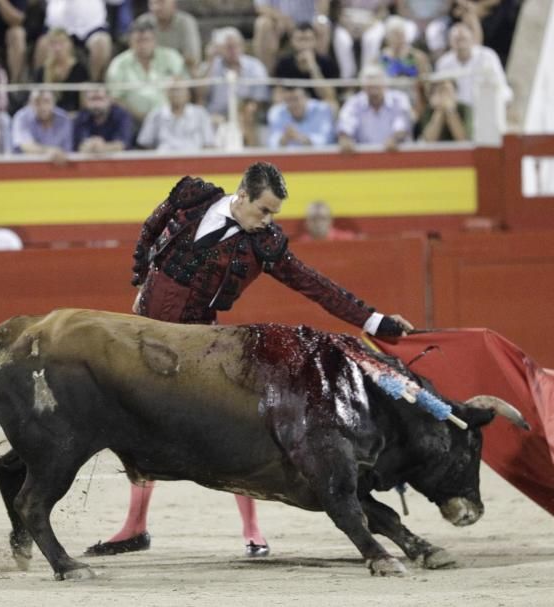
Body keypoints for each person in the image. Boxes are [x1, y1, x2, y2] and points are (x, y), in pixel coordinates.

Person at [85, 161, 414, 558]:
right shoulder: (192, 195)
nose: (269, 220)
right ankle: (135, 528)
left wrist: (375, 321)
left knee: (232, 427)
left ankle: (252, 530)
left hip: (195, 344)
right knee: (136, 425)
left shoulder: (266, 243)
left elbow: (315, 285)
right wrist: (141, 277)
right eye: (264, 210)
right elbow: (150, 228)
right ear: (242, 196)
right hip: (142, 334)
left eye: (274, 213)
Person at [105, 20, 185, 124]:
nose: (143, 45)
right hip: (133, 121)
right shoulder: (118, 64)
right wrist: (141, 118)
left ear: (155, 40)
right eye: (138, 41)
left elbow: (184, 89)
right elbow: (115, 98)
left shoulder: (172, 57)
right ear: (130, 42)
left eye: (146, 40)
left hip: (172, 118)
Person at [203, 27, 269, 147]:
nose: (233, 50)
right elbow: (200, 95)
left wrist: (244, 113)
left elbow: (260, 99)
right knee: (209, 125)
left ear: (242, 46)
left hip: (246, 114)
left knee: (247, 119)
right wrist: (210, 61)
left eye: (236, 46)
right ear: (220, 49)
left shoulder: (255, 66)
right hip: (216, 116)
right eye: (228, 47)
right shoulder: (212, 66)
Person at [434, 21, 511, 109]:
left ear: (471, 38)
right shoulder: (443, 63)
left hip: (485, 108)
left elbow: (500, 84)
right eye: (457, 40)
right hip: (457, 111)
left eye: (463, 39)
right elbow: (440, 92)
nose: (460, 43)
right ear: (450, 42)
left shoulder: (487, 56)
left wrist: (505, 104)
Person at [337, 64, 413, 152]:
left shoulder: (399, 99)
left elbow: (402, 124)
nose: (373, 83)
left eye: (376, 78)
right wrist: (345, 138)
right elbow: (345, 125)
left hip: (396, 156)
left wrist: (395, 138)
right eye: (369, 79)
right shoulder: (353, 103)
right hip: (363, 160)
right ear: (362, 84)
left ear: (385, 82)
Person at [43, 0, 112, 80]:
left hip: (91, 26)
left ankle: (94, 87)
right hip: (59, 25)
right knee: (44, 45)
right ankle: (43, 88)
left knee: (101, 44)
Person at [273, 22, 338, 107]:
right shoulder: (284, 63)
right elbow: (277, 94)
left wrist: (313, 67)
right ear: (292, 41)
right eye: (300, 39)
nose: (303, 44)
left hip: (317, 106)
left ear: (315, 41)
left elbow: (329, 96)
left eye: (307, 39)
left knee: (333, 106)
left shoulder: (326, 62)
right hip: (292, 105)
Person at [136, 81, 214, 152]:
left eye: (179, 90)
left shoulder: (200, 114)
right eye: (173, 90)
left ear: (188, 94)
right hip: (164, 161)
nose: (176, 94)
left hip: (194, 160)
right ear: (166, 93)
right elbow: (145, 143)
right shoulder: (156, 115)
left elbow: (209, 143)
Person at [133, 0, 201, 74]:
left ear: (173, 3)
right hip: (149, 73)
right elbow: (135, 55)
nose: (156, 7)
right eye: (153, 3)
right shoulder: (142, 22)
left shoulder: (186, 22)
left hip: (179, 72)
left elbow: (193, 58)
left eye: (161, 2)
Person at [33, 27, 89, 113]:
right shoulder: (42, 71)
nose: (57, 48)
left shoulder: (80, 70)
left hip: (73, 115)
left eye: (61, 43)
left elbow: (84, 104)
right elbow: (35, 99)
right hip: (48, 116)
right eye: (53, 44)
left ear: (70, 44)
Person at [331, 0, 390, 79]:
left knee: (371, 39)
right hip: (347, 22)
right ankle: (348, 77)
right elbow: (337, 10)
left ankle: (368, 75)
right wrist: (348, 26)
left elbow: (383, 11)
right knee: (343, 40)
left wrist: (369, 25)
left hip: (371, 21)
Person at [266, 86, 334, 149]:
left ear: (307, 98)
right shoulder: (277, 112)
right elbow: (272, 143)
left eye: (296, 99)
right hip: (289, 159)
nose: (293, 104)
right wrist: (284, 138)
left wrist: (300, 138)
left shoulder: (322, 109)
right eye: (289, 100)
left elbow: (327, 140)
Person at [11, 89, 72, 158]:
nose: (42, 107)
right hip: (26, 165)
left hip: (55, 166)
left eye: (46, 101)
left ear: (54, 102)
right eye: (37, 102)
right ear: (30, 103)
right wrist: (49, 151)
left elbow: (66, 150)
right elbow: (25, 146)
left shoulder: (63, 118)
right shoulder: (21, 117)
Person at [72, 85, 133, 153]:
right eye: (92, 99)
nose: (96, 104)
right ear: (86, 102)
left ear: (109, 99)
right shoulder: (81, 117)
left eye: (100, 99)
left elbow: (123, 144)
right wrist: (90, 146)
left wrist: (103, 147)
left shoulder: (121, 115)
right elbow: (79, 145)